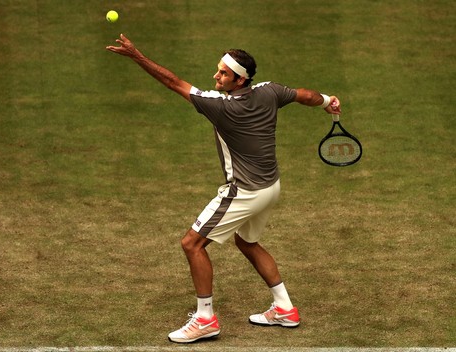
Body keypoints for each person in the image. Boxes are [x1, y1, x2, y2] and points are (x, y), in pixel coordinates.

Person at [106, 34, 340, 344]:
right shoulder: (271, 91)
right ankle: (285, 308)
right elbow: (305, 95)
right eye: (218, 70)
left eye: (223, 73)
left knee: (192, 244)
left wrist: (137, 56)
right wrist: (327, 100)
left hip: (243, 191)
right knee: (247, 242)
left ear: (239, 81)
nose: (216, 76)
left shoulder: (221, 107)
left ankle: (205, 319)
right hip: (271, 186)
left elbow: (173, 82)